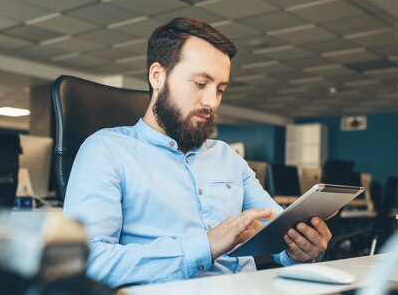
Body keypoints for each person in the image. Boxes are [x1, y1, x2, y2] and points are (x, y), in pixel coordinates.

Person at [64, 17, 332, 287]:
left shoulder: (227, 156)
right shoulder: (107, 150)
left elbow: (278, 235)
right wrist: (207, 245)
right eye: (200, 84)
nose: (211, 101)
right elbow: (88, 262)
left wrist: (299, 250)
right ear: (157, 76)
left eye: (220, 89)